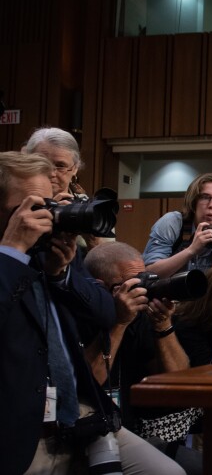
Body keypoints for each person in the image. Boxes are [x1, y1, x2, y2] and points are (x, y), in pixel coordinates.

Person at [0, 151, 183, 475]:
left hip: (77, 411)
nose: (45, 218)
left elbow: (105, 311)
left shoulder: (49, 256)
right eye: (30, 208)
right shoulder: (13, 256)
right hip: (16, 425)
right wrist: (12, 252)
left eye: (48, 204)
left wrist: (60, 273)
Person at [83, 242, 202, 474]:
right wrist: (119, 322)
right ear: (100, 288)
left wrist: (163, 326)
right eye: (132, 285)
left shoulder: (139, 320)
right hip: (84, 429)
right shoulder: (81, 318)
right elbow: (88, 385)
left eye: (144, 281)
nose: (142, 292)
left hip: (127, 432)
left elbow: (177, 382)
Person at [143, 173, 212, 278]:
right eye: (205, 197)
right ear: (193, 202)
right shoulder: (173, 222)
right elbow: (150, 272)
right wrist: (191, 250)